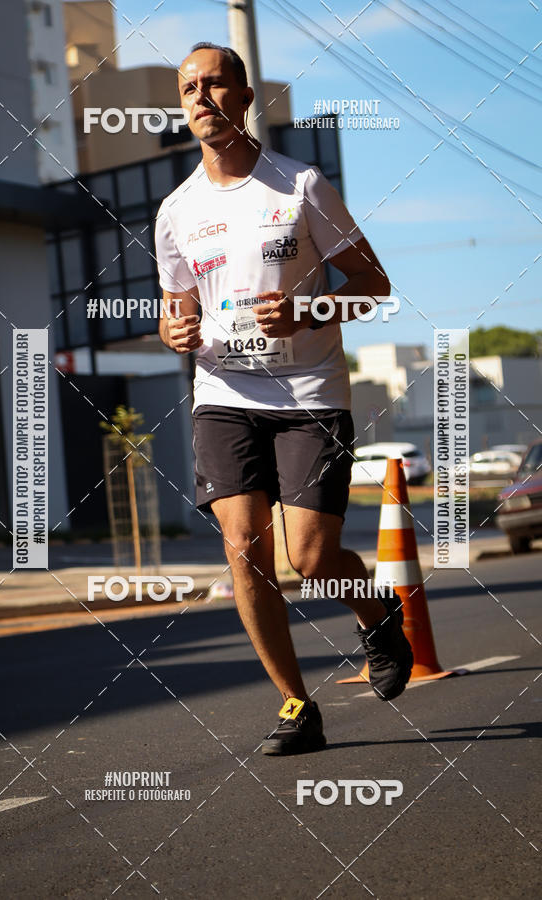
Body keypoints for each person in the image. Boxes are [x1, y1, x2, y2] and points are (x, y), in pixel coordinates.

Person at [155, 42, 413, 756]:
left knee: (310, 557)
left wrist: (310, 313)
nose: (199, 97)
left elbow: (373, 284)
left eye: (212, 84)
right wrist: (173, 326)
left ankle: (376, 614)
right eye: (188, 88)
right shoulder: (176, 211)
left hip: (309, 392)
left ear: (242, 96)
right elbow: (175, 305)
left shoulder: (300, 186)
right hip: (223, 390)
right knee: (244, 548)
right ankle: (297, 704)